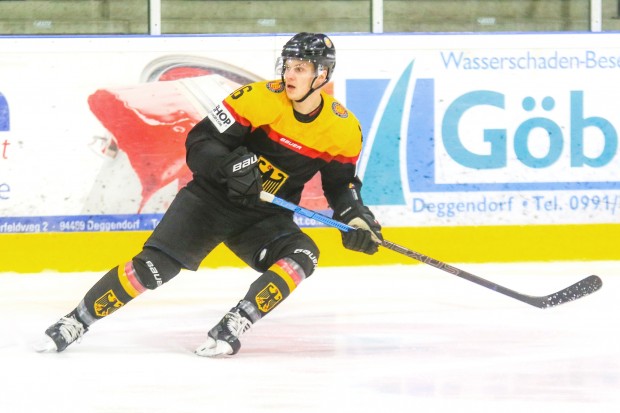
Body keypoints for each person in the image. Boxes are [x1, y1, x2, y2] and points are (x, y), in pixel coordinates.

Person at [35, 32, 383, 357]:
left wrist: (355, 217)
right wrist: (230, 165)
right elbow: (199, 143)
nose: (289, 75)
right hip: (210, 201)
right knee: (153, 269)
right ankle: (76, 321)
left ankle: (236, 321)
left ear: (322, 74)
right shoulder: (257, 98)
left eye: (301, 68)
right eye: (287, 66)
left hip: (263, 216)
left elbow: (341, 185)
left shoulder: (343, 129)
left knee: (303, 255)